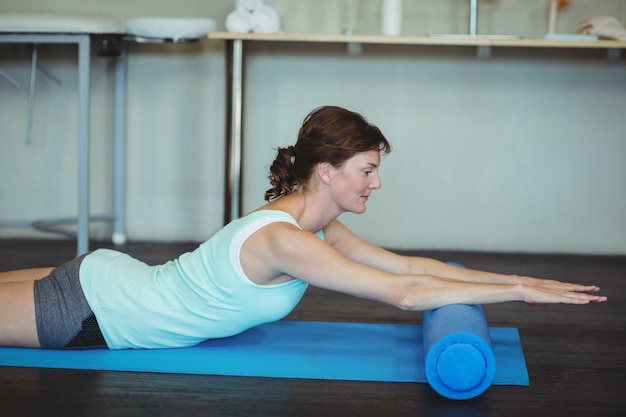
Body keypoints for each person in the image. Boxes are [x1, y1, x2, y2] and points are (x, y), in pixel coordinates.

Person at [0, 105, 606, 350]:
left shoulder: (317, 227)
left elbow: (413, 268)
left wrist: (520, 276)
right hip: (92, 311)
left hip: (109, 281)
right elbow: (404, 295)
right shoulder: (287, 241)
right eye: (366, 170)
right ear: (326, 170)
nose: (376, 183)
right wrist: (520, 294)